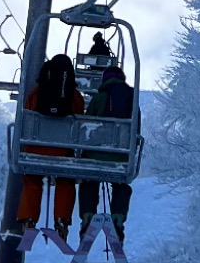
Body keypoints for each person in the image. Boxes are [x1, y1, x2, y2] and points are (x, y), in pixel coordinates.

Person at [16, 53, 84, 241]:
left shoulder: (36, 94)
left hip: (36, 150)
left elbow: (28, 119)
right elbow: (79, 120)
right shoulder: (74, 96)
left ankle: (28, 219)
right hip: (63, 152)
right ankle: (61, 218)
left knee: (32, 180)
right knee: (65, 180)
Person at [77, 60, 134, 245]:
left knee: (89, 182)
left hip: (95, 153)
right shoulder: (132, 98)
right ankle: (117, 218)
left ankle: (87, 217)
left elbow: (88, 123)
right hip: (121, 156)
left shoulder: (99, 97)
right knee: (121, 185)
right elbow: (136, 128)